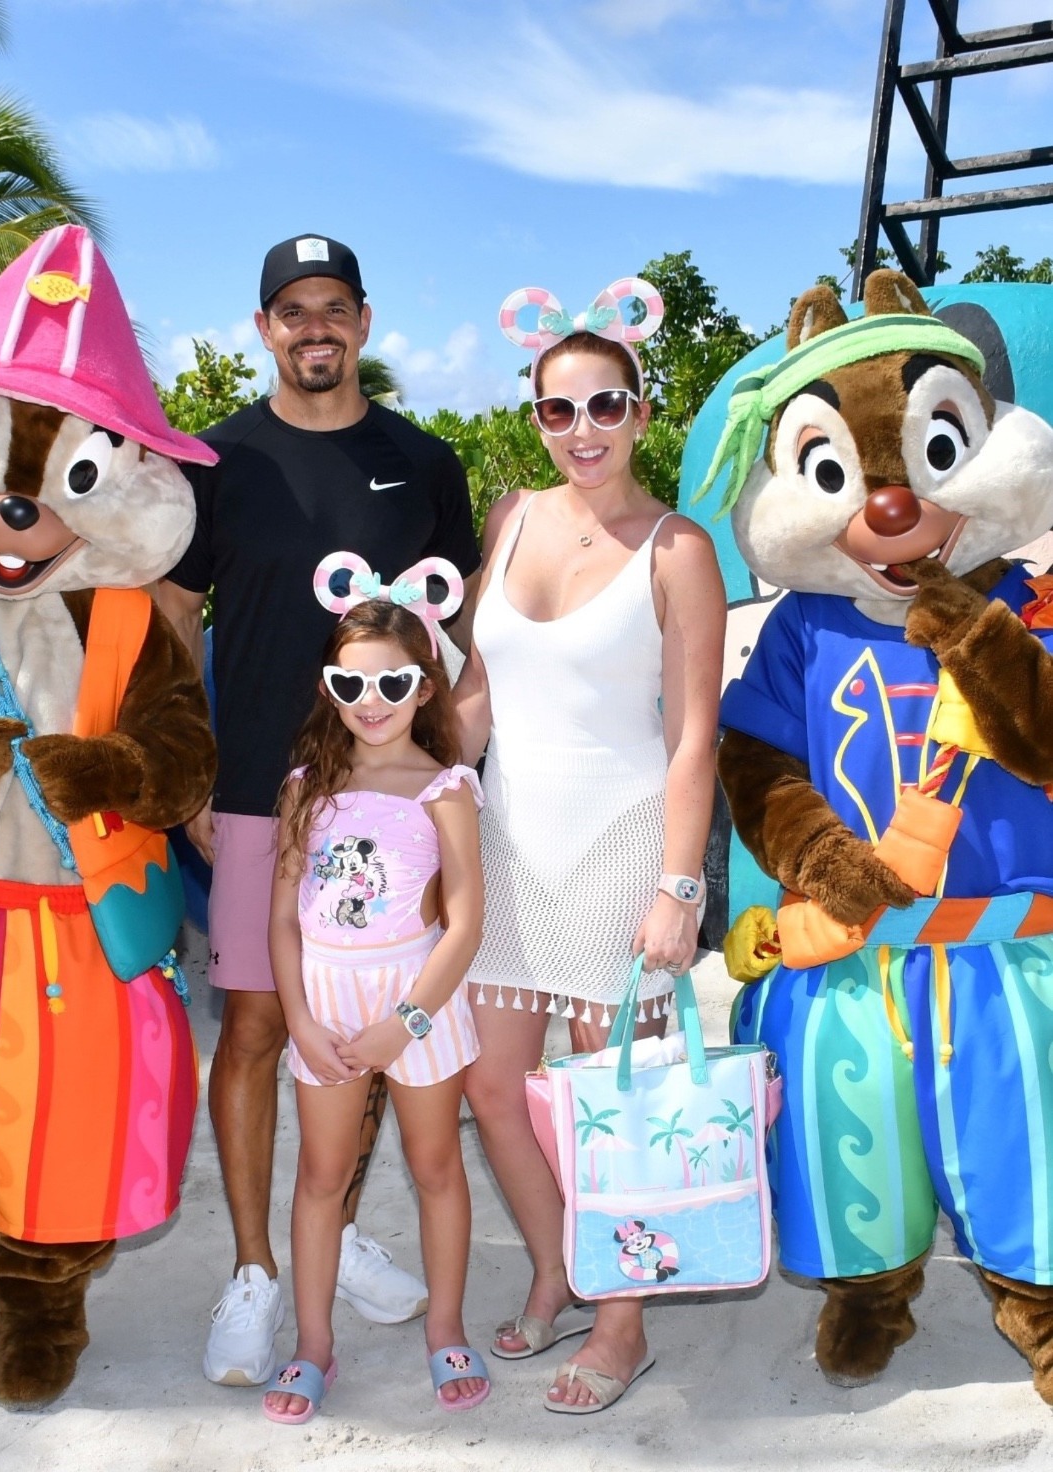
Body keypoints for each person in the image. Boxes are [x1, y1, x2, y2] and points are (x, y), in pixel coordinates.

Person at [156, 234, 481, 1387]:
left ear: (363, 318)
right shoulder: (213, 458)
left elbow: (457, 633)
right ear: (262, 328)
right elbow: (163, 614)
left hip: (391, 807)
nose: (312, 328)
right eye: (290, 310)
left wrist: (461, 765)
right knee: (253, 1028)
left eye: (331, 307)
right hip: (253, 794)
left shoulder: (423, 461)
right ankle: (255, 1269)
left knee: (374, 1013)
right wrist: (187, 765)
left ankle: (331, 1229)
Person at [455, 279, 727, 1413]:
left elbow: (692, 734)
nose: (582, 430)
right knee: (491, 1085)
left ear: (641, 409)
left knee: (609, 1100)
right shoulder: (510, 512)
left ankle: (622, 1323)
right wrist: (384, 781)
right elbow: (476, 693)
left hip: (624, 842)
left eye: (604, 405)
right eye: (559, 409)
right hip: (508, 839)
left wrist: (675, 889)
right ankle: (562, 1262)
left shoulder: (677, 548)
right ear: (534, 418)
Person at [263, 571, 487, 1423]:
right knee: (322, 1177)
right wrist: (299, 1020)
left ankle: (446, 1327)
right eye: (350, 682)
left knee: (436, 1168)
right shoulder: (302, 787)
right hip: (322, 1003)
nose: (371, 699)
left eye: (392, 682)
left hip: (417, 1001)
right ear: (329, 686)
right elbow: (283, 922)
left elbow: (464, 923)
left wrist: (408, 1022)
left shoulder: (446, 786)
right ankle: (313, 1343)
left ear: (423, 686)